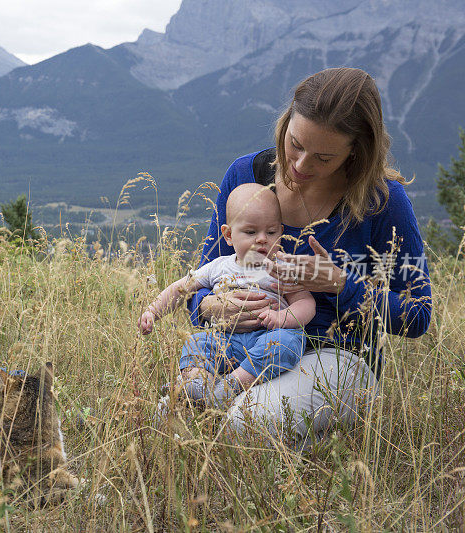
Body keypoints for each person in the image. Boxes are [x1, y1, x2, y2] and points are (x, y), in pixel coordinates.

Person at [185, 67, 432, 449]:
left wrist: (340, 284)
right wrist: (214, 307)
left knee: (243, 421)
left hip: (338, 356)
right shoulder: (245, 176)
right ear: (285, 123)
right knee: (174, 414)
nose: (300, 166)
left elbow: (418, 316)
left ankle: (319, 449)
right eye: (295, 143)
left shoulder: (383, 202)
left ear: (356, 152)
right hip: (245, 346)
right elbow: (202, 279)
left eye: (323, 157)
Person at [139, 183, 315, 408]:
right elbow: (181, 287)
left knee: (288, 343)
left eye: (270, 232)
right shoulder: (219, 267)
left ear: (280, 232)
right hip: (225, 340)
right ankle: (196, 382)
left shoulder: (282, 267)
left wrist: (285, 319)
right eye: (251, 232)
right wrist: (153, 311)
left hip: (269, 337)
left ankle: (230, 386)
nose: (262, 239)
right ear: (229, 235)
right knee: (196, 342)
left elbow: (305, 302)